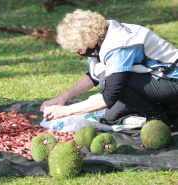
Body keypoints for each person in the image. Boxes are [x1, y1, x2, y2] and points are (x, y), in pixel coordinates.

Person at [40, 9, 178, 130]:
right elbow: (94, 76)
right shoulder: (103, 33)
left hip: (173, 80)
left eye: (79, 47)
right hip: (157, 78)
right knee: (111, 114)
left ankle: (157, 115)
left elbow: (109, 95)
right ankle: (164, 108)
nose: (80, 52)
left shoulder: (118, 45)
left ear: (91, 38)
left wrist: (66, 111)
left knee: (108, 82)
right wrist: (63, 97)